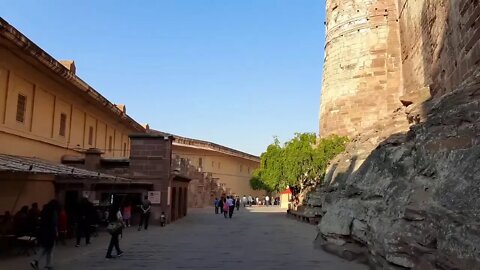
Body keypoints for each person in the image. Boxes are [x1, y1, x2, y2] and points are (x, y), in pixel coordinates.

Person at [30, 200, 60, 270]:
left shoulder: (44, 211)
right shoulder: (54, 212)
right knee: (50, 249)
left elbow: (40, 221)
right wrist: (56, 232)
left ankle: (37, 261)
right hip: (50, 232)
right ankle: (48, 264)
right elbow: (54, 223)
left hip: (43, 231)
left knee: (44, 247)